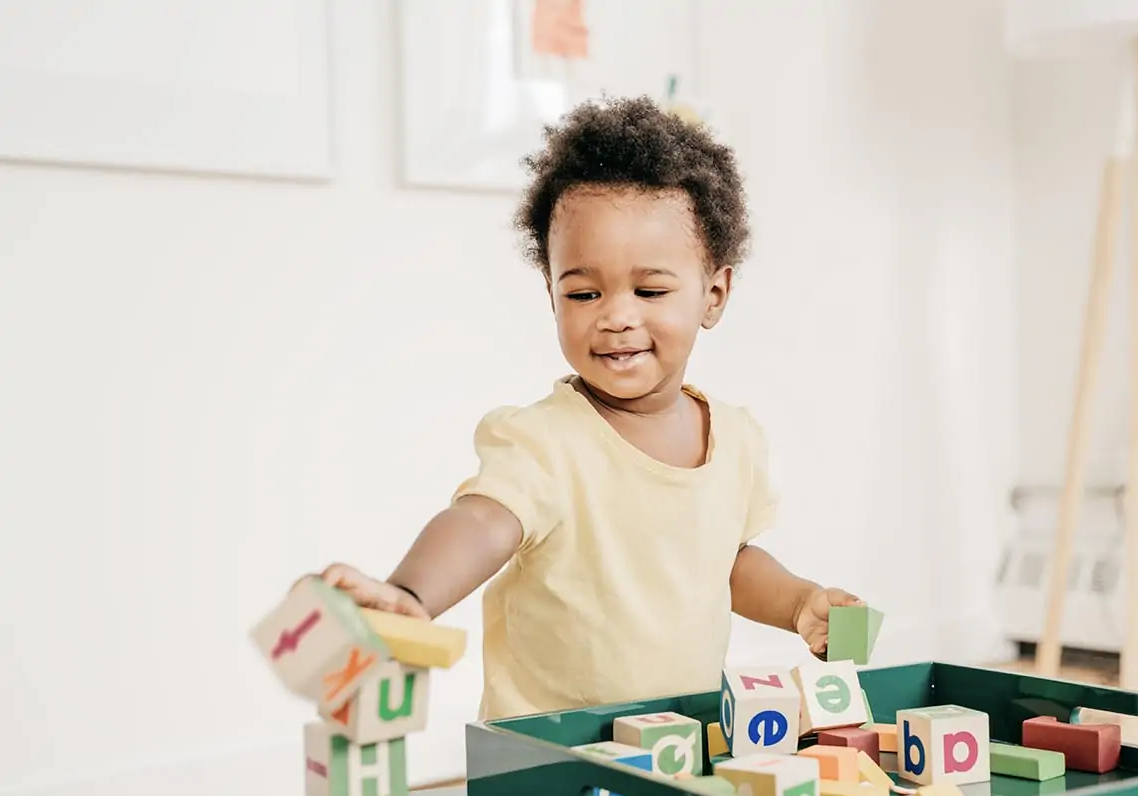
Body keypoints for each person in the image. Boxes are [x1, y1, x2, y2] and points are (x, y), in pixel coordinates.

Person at [306, 95, 864, 720]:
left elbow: (726, 562)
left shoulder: (735, 440)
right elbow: (484, 524)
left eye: (650, 289)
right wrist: (411, 593)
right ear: (552, 293)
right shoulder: (544, 442)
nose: (616, 315)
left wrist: (795, 603)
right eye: (584, 291)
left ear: (714, 294)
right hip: (551, 751)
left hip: (677, 739)